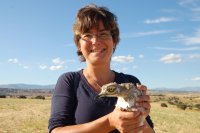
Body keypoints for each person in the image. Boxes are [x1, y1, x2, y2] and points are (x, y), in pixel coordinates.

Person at [48, 4, 155, 133]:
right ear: (78, 44)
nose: (95, 41)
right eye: (87, 35)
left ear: (114, 41)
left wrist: (140, 118)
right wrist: (110, 121)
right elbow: (56, 131)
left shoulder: (131, 82)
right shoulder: (70, 81)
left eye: (103, 34)